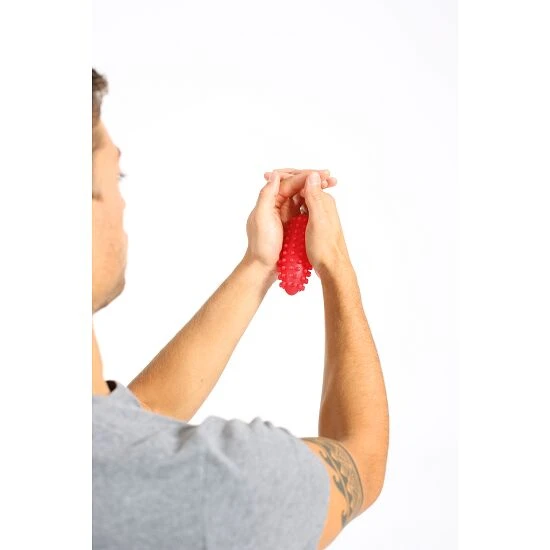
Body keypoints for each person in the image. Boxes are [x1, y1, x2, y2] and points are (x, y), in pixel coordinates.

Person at [92, 68, 389, 550]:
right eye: (115, 177)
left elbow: (131, 424)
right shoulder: (217, 485)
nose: (122, 204)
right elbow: (362, 458)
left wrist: (259, 264)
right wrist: (335, 264)